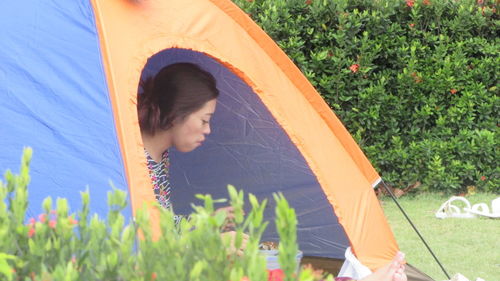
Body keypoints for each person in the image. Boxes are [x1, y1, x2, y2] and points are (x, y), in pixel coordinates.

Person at [138, 62, 406, 280]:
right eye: (204, 120)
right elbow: (135, 244)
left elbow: (160, 224)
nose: (208, 130)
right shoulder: (135, 160)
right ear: (176, 115)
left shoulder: (159, 155)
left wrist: (207, 221)